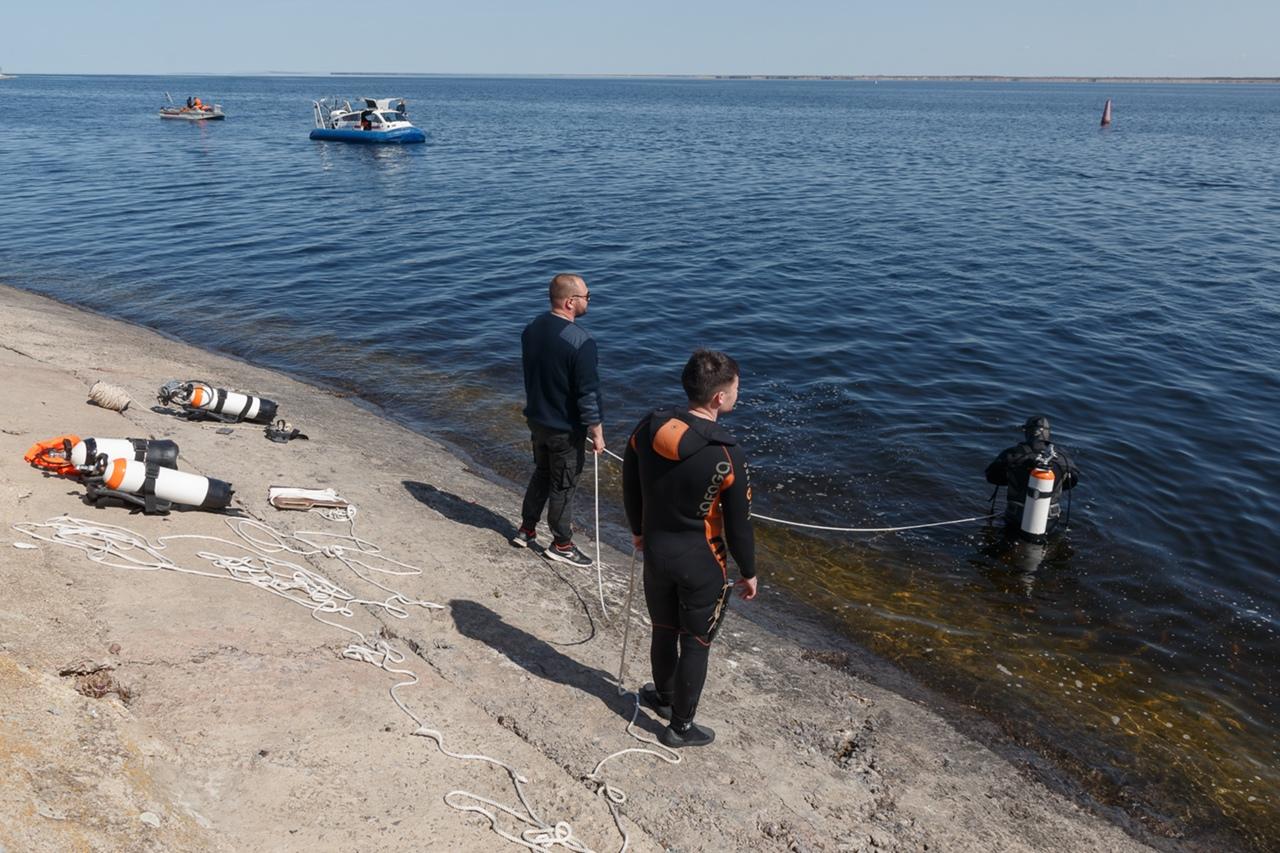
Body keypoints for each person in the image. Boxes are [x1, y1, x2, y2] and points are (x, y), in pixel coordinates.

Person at [622, 349, 757, 748]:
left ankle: (663, 697)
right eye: (735, 388)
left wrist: (637, 530)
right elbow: (739, 524)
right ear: (719, 398)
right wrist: (748, 571)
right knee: (695, 642)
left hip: (657, 551)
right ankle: (680, 727)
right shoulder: (727, 453)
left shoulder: (649, 426)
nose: (737, 394)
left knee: (663, 629)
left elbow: (630, 477)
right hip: (701, 562)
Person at [511, 273, 604, 566]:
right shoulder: (581, 342)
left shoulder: (533, 328)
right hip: (564, 429)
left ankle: (526, 530)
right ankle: (561, 543)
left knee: (542, 473)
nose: (589, 301)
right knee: (564, 484)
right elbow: (587, 394)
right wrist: (597, 433)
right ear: (570, 302)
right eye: (587, 297)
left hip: (537, 420)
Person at [985, 415, 1080, 537]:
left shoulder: (1013, 454)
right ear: (1047, 433)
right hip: (1049, 520)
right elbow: (1073, 481)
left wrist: (1013, 478)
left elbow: (992, 477)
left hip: (1016, 517)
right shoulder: (1062, 458)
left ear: (1027, 432)